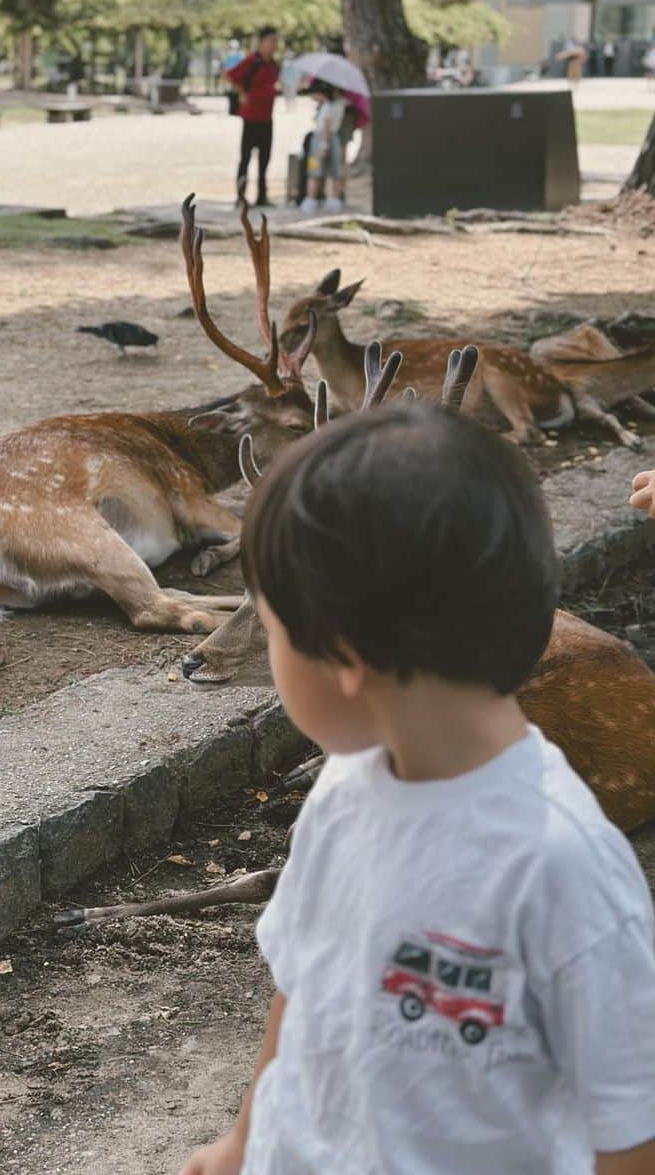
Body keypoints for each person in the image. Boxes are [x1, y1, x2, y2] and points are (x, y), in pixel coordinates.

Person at [180, 404, 655, 1175]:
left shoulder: (563, 868)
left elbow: (630, 1129)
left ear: (343, 657)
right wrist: (246, 1140)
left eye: (270, 630)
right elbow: (302, 984)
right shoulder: (343, 791)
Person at [225, 26, 281, 208]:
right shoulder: (252, 61)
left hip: (267, 118)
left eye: (276, 42)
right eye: (271, 41)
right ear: (262, 42)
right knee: (246, 158)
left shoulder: (273, 64)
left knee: (265, 159)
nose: (274, 45)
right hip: (251, 118)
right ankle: (240, 196)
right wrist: (241, 92)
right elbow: (230, 76)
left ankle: (262, 196)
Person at [299, 78, 345, 215]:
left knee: (314, 170)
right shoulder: (340, 104)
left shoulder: (328, 106)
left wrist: (324, 144)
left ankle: (310, 199)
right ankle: (334, 199)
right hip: (335, 137)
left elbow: (326, 125)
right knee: (335, 171)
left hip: (321, 139)